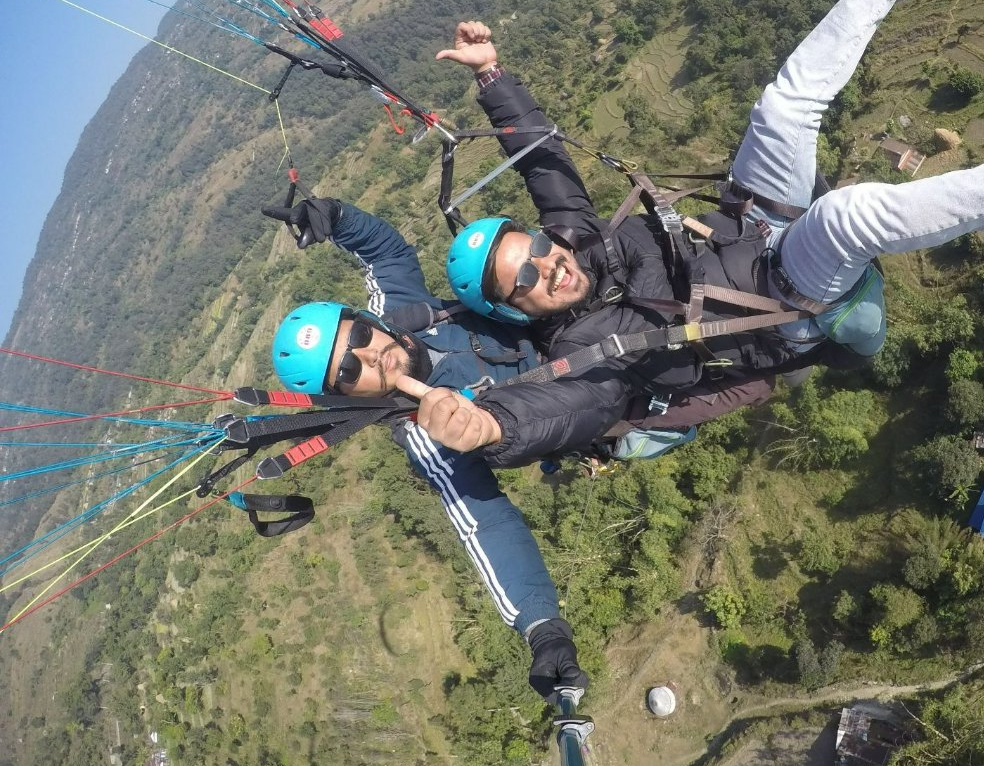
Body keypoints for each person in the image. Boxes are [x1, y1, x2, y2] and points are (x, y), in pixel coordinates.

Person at [410, 0, 984, 467]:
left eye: (535, 251)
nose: (549, 267)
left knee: (780, 107)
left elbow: (544, 163)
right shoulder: (584, 353)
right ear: (518, 311)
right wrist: (491, 430)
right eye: (528, 281)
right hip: (779, 298)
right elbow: (566, 413)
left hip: (746, 219)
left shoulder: (572, 244)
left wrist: (492, 79)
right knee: (847, 217)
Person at [269, 201, 772, 700]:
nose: (370, 354)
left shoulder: (405, 314)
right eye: (350, 372)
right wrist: (541, 626)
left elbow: (384, 249)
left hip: (577, 327)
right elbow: (484, 524)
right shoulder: (429, 433)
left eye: (357, 334)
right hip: (607, 406)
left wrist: (333, 217)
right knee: (758, 378)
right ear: (347, 394)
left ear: (364, 319)